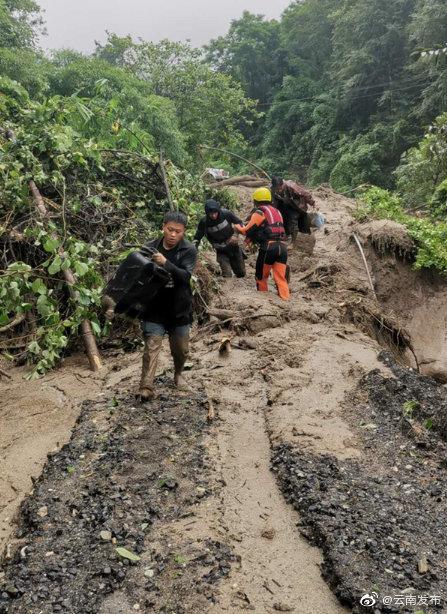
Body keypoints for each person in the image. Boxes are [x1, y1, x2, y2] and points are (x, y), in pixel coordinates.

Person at [139, 211, 197, 401]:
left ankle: (178, 374)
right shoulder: (149, 248)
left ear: (184, 232)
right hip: (154, 307)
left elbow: (185, 277)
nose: (173, 235)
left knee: (181, 350)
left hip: (179, 308)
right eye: (170, 230)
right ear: (163, 226)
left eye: (178, 231)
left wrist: (166, 263)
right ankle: (146, 386)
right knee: (151, 346)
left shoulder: (188, 250)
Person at [234, 187, 290, 301]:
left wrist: (236, 226)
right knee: (280, 278)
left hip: (269, 248)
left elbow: (247, 230)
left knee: (261, 277)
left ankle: (264, 302)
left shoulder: (260, 212)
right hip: (282, 247)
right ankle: (285, 300)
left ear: (256, 201)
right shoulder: (277, 211)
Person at [194, 199, 246, 278]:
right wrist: (193, 250)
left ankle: (238, 261)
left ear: (218, 210)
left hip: (233, 247)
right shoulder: (204, 222)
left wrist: (235, 235)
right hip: (221, 251)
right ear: (207, 214)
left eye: (215, 213)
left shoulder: (226, 214)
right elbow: (197, 238)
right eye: (211, 214)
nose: (213, 216)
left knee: (241, 274)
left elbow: (240, 223)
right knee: (227, 275)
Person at [271, 176, 316, 243]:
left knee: (293, 219)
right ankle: (285, 234)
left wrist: (312, 202)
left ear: (283, 184)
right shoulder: (272, 189)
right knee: (281, 218)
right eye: (276, 189)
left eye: (280, 188)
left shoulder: (291, 185)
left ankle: (294, 241)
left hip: (296, 204)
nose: (278, 190)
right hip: (283, 204)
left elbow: (304, 194)